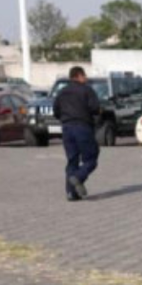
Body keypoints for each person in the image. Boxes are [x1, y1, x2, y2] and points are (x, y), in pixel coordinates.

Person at [53, 66, 100, 201]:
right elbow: (95, 108)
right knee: (91, 159)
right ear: (79, 76)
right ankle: (78, 177)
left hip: (67, 129)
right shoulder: (86, 90)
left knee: (72, 161)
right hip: (83, 127)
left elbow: (56, 111)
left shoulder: (61, 92)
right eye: (84, 76)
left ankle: (71, 193)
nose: (85, 78)